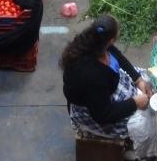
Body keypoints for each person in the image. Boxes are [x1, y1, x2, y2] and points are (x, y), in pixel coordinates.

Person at [62, 13, 152, 144]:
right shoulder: (92, 75)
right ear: (111, 40)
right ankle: (129, 144)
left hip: (103, 88)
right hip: (93, 110)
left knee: (147, 79)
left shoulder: (97, 40)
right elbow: (102, 115)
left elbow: (117, 55)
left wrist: (138, 79)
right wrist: (135, 103)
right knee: (142, 126)